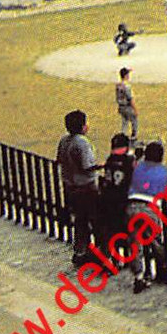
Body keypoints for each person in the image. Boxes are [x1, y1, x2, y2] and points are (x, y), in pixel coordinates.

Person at [56, 110, 101, 266]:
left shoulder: (64, 141)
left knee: (79, 221)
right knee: (94, 220)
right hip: (85, 187)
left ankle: (81, 251)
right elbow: (87, 166)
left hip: (70, 186)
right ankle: (99, 252)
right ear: (83, 126)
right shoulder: (82, 142)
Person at [125, 140, 167, 293]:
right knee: (156, 241)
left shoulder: (137, 166)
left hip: (132, 206)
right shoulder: (164, 171)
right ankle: (163, 270)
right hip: (150, 207)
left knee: (134, 243)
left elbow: (131, 162)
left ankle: (138, 276)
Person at [98, 133, 137, 266]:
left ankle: (111, 259)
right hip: (121, 200)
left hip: (107, 199)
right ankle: (126, 259)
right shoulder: (128, 160)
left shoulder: (110, 159)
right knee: (125, 230)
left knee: (109, 231)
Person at [115, 66, 139, 139]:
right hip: (128, 107)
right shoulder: (127, 86)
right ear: (126, 76)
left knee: (124, 122)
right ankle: (133, 136)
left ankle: (123, 136)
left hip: (121, 106)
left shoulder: (118, 85)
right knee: (134, 121)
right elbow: (130, 99)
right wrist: (135, 109)